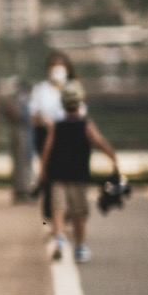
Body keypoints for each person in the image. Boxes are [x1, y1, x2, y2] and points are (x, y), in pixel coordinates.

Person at [39, 81, 118, 263]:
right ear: (80, 101)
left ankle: (59, 237)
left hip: (57, 174)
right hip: (79, 175)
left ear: (63, 103)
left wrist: (43, 171)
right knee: (79, 213)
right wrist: (113, 157)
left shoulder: (56, 126)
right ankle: (80, 247)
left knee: (58, 209)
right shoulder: (86, 125)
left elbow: (47, 149)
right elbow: (99, 142)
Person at [27, 51, 78, 228]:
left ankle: (68, 213)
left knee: (69, 176)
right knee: (49, 176)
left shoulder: (73, 88)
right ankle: (51, 217)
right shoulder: (41, 90)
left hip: (68, 136)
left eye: (60, 66)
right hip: (45, 135)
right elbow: (32, 115)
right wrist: (44, 121)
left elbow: (81, 114)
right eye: (54, 66)